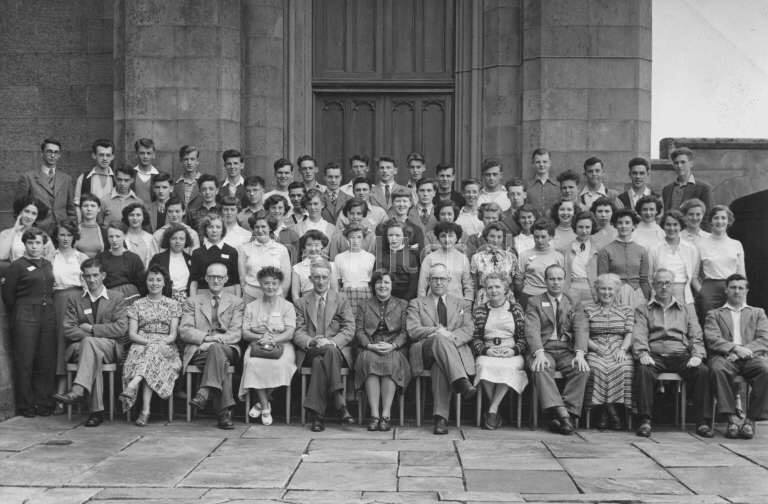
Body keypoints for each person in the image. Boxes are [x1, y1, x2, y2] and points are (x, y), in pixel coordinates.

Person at [632, 268, 713, 438]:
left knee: (703, 371)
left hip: (680, 354)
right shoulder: (643, 309)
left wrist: (697, 355)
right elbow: (639, 334)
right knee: (643, 370)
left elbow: (695, 335)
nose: (663, 287)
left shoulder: (686, 309)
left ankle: (702, 422)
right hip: (654, 355)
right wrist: (642, 353)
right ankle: (645, 421)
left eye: (668, 283)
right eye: (660, 283)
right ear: (653, 285)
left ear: (674, 285)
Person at [54, 258, 129, 427]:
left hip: (110, 348)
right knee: (91, 350)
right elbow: (68, 329)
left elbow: (120, 328)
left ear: (103, 275)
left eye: (95, 275)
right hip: (82, 348)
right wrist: (90, 336)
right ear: (83, 277)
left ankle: (78, 390)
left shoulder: (116, 297)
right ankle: (95, 411)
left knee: (90, 345)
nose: (92, 280)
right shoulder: (75, 299)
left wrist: (92, 329)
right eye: (87, 276)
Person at [406, 263, 475, 435]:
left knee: (440, 365)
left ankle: (440, 419)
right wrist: (437, 331)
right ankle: (461, 381)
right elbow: (413, 330)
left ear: (449, 280)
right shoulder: (417, 303)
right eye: (434, 279)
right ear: (428, 281)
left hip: (449, 354)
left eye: (442, 279)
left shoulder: (462, 303)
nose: (438, 282)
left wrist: (450, 338)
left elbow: (468, 330)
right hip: (424, 351)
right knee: (438, 339)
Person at [525, 264, 589, 435]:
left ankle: (562, 414)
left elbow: (581, 327)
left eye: (559, 279)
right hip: (544, 348)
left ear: (565, 281)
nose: (555, 282)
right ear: (545, 281)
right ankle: (564, 416)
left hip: (565, 349)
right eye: (551, 279)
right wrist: (538, 353)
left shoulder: (573, 301)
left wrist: (580, 353)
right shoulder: (534, 301)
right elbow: (531, 329)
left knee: (581, 369)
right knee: (541, 367)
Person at [293, 258, 355, 432]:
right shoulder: (300, 302)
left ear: (330, 278)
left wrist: (333, 342)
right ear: (310, 279)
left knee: (320, 362)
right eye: (316, 277)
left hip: (335, 350)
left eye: (324, 277)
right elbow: (297, 331)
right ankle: (339, 401)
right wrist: (311, 341)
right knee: (320, 354)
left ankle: (317, 416)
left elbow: (349, 328)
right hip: (311, 349)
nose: (320, 281)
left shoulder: (341, 299)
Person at [181, 262, 245, 429]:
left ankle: (204, 392)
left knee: (217, 351)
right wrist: (206, 339)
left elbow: (236, 333)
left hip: (228, 348)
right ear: (206, 278)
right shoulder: (192, 301)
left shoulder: (237, 302)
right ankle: (224, 414)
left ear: (226, 279)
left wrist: (213, 342)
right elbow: (185, 331)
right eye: (212, 276)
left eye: (220, 277)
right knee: (219, 360)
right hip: (200, 350)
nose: (216, 280)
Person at [704, 274, 768, 439]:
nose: (737, 291)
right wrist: (734, 349)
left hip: (750, 358)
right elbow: (712, 339)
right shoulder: (715, 314)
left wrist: (742, 351)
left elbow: (764, 339)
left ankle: (750, 421)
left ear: (746, 291)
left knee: (765, 369)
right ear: (726, 290)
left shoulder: (757, 313)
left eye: (741, 288)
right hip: (725, 358)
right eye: (733, 287)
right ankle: (731, 420)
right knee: (717, 369)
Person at [1, 227, 56, 417]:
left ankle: (44, 402)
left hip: (47, 313)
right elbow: (8, 294)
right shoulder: (17, 266)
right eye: (30, 243)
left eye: (38, 243)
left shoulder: (48, 264)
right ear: (24, 244)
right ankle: (26, 405)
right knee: (25, 359)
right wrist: (21, 311)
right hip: (25, 313)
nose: (34, 247)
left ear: (44, 245)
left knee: (46, 358)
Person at [120, 265, 182, 426]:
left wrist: (158, 342)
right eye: (151, 279)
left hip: (165, 345)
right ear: (146, 282)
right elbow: (133, 334)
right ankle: (145, 411)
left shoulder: (173, 304)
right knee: (149, 355)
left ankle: (134, 384)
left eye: (158, 280)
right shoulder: (137, 304)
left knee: (153, 353)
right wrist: (149, 342)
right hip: (141, 343)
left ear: (164, 283)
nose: (154, 283)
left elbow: (173, 334)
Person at [238, 266, 297, 426]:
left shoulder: (287, 306)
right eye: (266, 283)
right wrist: (260, 337)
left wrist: (274, 340)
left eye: (274, 283)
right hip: (257, 345)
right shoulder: (251, 306)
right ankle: (265, 406)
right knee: (252, 364)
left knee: (281, 365)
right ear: (260, 284)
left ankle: (259, 404)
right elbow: (245, 333)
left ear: (279, 285)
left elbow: (290, 333)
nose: (270, 287)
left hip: (282, 346)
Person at [575, 273, 634, 430]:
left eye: (610, 289)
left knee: (625, 367)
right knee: (596, 368)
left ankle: (609, 410)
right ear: (596, 290)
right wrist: (594, 347)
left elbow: (629, 332)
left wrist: (623, 349)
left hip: (618, 347)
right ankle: (606, 411)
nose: (606, 293)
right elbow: (582, 333)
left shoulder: (626, 310)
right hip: (595, 346)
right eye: (602, 289)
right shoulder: (587, 309)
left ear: (617, 291)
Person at [355, 270, 411, 432]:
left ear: (392, 286)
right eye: (379, 282)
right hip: (370, 345)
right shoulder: (364, 305)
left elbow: (405, 332)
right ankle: (374, 415)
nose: (382, 286)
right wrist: (369, 345)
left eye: (386, 282)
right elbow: (359, 331)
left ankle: (385, 414)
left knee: (391, 361)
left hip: (394, 347)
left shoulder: (402, 305)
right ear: (373, 285)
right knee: (369, 360)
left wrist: (393, 345)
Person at [470, 273, 528, 430]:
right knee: (483, 365)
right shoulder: (480, 310)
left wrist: (514, 350)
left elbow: (524, 337)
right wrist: (486, 350)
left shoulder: (515, 309)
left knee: (508, 367)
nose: (493, 291)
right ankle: (495, 409)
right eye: (489, 287)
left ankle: (492, 409)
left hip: (511, 352)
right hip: (489, 351)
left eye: (497, 287)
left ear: (505, 289)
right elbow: (475, 338)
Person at [50, 219, 89, 409]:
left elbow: (89, 283)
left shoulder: (80, 257)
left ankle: (79, 391)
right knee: (58, 343)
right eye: (62, 234)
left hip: (77, 300)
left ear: (74, 237)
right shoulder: (51, 256)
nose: (65, 239)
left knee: (76, 339)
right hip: (57, 300)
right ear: (56, 236)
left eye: (69, 235)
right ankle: (59, 393)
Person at [15, 138, 76, 235]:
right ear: (42, 153)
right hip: (37, 231)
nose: (52, 155)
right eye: (49, 152)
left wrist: (71, 228)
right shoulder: (28, 178)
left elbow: (71, 209)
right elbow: (19, 208)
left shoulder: (66, 179)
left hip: (62, 231)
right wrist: (26, 230)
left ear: (59, 155)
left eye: (56, 152)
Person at [697, 205, 746, 318]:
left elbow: (741, 274)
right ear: (710, 221)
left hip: (733, 288)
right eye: (716, 218)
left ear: (728, 221)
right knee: (710, 321)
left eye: (723, 218)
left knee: (731, 322)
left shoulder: (736, 244)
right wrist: (703, 293)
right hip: (710, 288)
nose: (720, 221)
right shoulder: (701, 244)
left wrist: (743, 296)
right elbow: (695, 275)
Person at [597, 208, 651, 308]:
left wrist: (647, 299)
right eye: (620, 223)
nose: (623, 226)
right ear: (615, 225)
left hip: (637, 294)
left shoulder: (641, 250)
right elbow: (602, 279)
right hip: (614, 295)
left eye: (627, 222)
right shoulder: (606, 251)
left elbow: (644, 280)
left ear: (633, 226)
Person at [648, 210, 700, 306]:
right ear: (663, 226)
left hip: (684, 294)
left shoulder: (690, 248)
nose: (672, 228)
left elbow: (693, 275)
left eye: (675, 224)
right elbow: (650, 277)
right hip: (661, 293)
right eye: (668, 224)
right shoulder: (654, 249)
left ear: (681, 226)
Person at [238, 215, 291, 304]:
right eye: (257, 227)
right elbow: (242, 277)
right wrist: (246, 292)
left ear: (270, 228)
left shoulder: (281, 249)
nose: (260, 230)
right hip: (251, 295)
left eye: (263, 227)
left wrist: (281, 296)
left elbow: (286, 277)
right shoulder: (244, 249)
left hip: (275, 295)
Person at [418, 222, 473, 301]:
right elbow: (422, 287)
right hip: (433, 303)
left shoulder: (463, 258)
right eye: (443, 236)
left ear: (457, 238)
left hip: (456, 303)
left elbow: (468, 285)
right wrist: (423, 306)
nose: (447, 240)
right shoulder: (430, 258)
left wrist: (468, 303)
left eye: (451, 236)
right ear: (438, 238)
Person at [515, 219, 565, 307]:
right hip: (529, 296)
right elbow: (518, 279)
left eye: (543, 237)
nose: (539, 240)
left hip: (550, 296)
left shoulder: (558, 257)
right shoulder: (524, 255)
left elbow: (562, 279)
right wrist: (526, 291)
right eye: (536, 237)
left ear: (551, 236)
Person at [189, 213, 240, 297]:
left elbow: (236, 281)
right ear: (205, 229)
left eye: (218, 227)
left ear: (223, 230)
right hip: (203, 295)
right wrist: (194, 302)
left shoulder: (231, 252)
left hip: (228, 295)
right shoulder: (197, 253)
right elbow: (194, 282)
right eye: (210, 227)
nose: (214, 230)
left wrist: (238, 302)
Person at [96, 221, 145, 301]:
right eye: (111, 237)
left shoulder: (134, 258)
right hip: (109, 296)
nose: (114, 240)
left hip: (130, 295)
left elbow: (141, 283)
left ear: (124, 236)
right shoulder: (101, 257)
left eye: (118, 236)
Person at [470, 222, 517, 305]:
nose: (495, 240)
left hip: (505, 297)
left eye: (499, 237)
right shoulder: (476, 257)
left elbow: (513, 282)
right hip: (484, 297)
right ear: (486, 237)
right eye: (492, 236)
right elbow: (474, 282)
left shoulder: (511, 257)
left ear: (503, 238)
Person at [334, 225, 375, 315]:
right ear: (347, 239)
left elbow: (372, 280)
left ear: (363, 239)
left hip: (365, 293)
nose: (355, 241)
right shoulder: (339, 258)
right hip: (346, 292)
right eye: (352, 237)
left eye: (359, 237)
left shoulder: (370, 257)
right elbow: (337, 281)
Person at [561, 211, 599, 307]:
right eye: (580, 227)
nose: (584, 231)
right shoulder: (567, 248)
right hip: (573, 288)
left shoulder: (597, 248)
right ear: (575, 227)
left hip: (591, 290)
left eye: (587, 227)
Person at [0, 196, 54, 262]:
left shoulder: (43, 236)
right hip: (16, 270)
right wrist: (14, 230)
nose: (29, 216)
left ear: (37, 217)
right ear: (20, 212)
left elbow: (51, 260)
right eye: (27, 211)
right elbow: (2, 256)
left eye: (34, 214)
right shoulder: (6, 234)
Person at [149, 224, 194, 303]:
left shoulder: (190, 259)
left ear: (186, 241)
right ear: (168, 240)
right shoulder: (158, 259)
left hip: (187, 302)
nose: (178, 242)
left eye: (181, 239)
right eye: (174, 238)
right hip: (164, 300)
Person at [291, 230, 339, 304]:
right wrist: (301, 308)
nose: (313, 249)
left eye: (316, 245)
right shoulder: (297, 268)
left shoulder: (331, 266)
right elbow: (295, 295)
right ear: (304, 247)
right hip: (306, 305)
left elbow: (334, 290)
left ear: (322, 246)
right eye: (309, 245)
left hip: (327, 304)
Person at [74, 139, 116, 222]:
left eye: (108, 155)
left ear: (112, 157)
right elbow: (77, 204)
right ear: (94, 155)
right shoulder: (84, 178)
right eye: (101, 155)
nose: (105, 158)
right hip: (88, 224)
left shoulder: (116, 179)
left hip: (111, 225)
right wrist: (79, 224)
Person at [377, 220, 420, 301]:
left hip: (405, 299)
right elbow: (376, 280)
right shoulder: (381, 256)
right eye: (390, 235)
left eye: (397, 235)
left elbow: (413, 284)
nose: (394, 238)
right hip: (384, 298)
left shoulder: (411, 256)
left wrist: (405, 301)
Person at [662, 147, 712, 213]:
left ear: (691, 164)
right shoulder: (667, 189)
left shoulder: (703, 188)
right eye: (676, 163)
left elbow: (708, 215)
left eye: (683, 162)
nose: (679, 166)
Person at [527, 148, 560, 216]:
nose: (541, 165)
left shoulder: (558, 186)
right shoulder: (527, 186)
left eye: (545, 162)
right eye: (538, 162)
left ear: (550, 163)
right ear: (533, 164)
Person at [122, 202, 157, 267]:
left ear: (144, 217)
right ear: (127, 217)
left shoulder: (150, 238)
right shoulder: (122, 238)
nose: (135, 218)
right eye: (131, 215)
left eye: (138, 215)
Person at [75, 194, 107, 258]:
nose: (89, 209)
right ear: (80, 208)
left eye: (93, 206)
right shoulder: (74, 230)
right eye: (85, 206)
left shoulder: (104, 232)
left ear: (99, 209)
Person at [132, 138, 160, 205]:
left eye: (148, 153)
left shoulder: (158, 176)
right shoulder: (131, 174)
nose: (145, 156)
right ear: (136, 154)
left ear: (153, 155)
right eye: (142, 153)